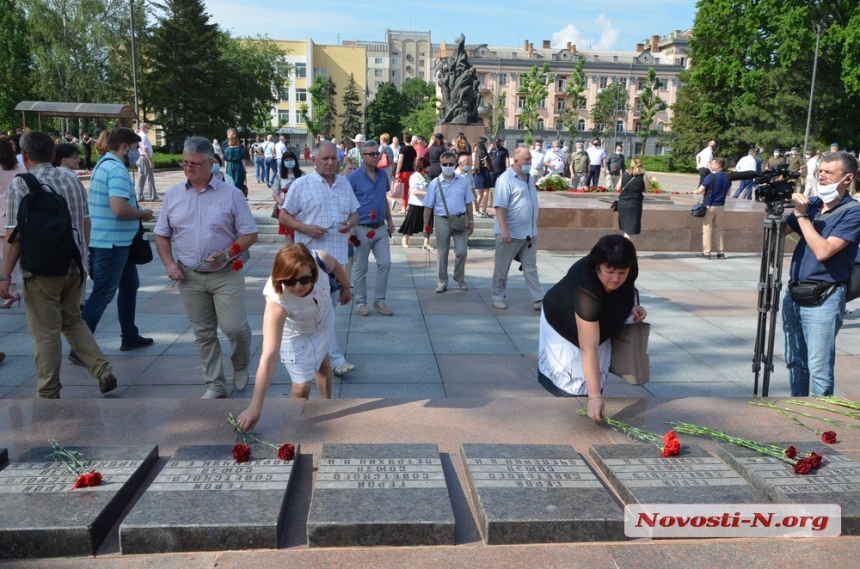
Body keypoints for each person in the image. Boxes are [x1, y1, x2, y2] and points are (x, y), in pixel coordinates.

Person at [0, 130, 119, 398]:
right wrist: (83, 257)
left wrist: (5, 276)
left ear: (25, 155)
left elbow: (14, 236)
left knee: (46, 332)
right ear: (54, 155)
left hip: (41, 270)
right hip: (74, 265)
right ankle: (103, 371)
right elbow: (86, 222)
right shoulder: (72, 180)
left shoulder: (22, 184)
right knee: (73, 320)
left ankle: (48, 391)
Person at [154, 137, 258, 399]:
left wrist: (226, 253)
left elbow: (249, 234)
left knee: (234, 327)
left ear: (211, 163)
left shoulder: (231, 194)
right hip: (190, 276)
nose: (189, 168)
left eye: (195, 164)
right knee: (203, 333)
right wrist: (168, 263)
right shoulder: (174, 195)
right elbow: (162, 233)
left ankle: (241, 364)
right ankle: (215, 384)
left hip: (225, 274)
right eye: (185, 163)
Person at [235, 244, 351, 431]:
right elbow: (269, 357)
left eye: (305, 279)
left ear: (313, 272)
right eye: (289, 281)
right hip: (295, 333)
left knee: (323, 363)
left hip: (322, 320)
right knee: (301, 386)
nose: (298, 287)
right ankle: (294, 424)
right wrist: (255, 408)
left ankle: (326, 404)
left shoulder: (320, 259)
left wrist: (346, 287)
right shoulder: (277, 301)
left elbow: (336, 265)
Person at [539, 234, 647, 420]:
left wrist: (632, 307)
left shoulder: (627, 263)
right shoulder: (585, 289)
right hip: (564, 324)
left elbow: (627, 287)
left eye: (622, 273)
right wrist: (595, 396)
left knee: (594, 376)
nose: (616, 278)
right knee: (574, 385)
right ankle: (570, 419)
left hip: (599, 320)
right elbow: (588, 347)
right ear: (598, 266)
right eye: (609, 272)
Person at [71, 127, 154, 367]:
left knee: (129, 287)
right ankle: (80, 349)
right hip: (111, 243)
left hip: (118, 241)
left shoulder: (103, 164)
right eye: (136, 148)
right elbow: (119, 209)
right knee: (102, 294)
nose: (138, 153)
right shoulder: (116, 169)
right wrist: (144, 214)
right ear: (125, 147)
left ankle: (129, 336)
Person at [782, 151, 860, 397]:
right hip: (794, 291)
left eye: (829, 173)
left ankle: (819, 416)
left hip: (824, 296)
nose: (822, 177)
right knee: (795, 361)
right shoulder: (813, 203)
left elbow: (824, 251)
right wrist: (775, 209)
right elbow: (776, 233)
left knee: (818, 366)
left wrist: (802, 216)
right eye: (820, 172)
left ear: (847, 178)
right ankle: (797, 408)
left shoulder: (853, 212)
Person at [280, 141, 359, 378]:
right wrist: (305, 227)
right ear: (313, 160)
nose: (331, 163)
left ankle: (319, 353)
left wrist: (350, 223)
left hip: (338, 259)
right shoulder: (301, 185)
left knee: (327, 310)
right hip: (310, 261)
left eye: (334, 158)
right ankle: (335, 359)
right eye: (325, 158)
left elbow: (355, 213)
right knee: (323, 310)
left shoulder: (344, 184)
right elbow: (283, 216)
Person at [347, 140, 394, 317]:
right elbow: (346, 204)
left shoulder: (383, 175)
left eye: (377, 153)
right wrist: (348, 227)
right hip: (360, 227)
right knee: (361, 267)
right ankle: (360, 302)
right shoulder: (353, 178)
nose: (376, 156)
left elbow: (383, 198)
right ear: (362, 156)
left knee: (385, 263)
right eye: (371, 154)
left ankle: (380, 301)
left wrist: (390, 220)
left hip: (380, 227)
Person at [491, 147, 543, 310]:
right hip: (510, 233)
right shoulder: (505, 179)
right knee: (502, 267)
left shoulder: (529, 178)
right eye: (526, 160)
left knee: (530, 266)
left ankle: (538, 298)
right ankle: (497, 296)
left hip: (529, 233)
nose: (529, 163)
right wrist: (504, 229)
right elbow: (500, 206)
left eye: (530, 160)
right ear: (516, 161)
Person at [423, 150, 474, 293]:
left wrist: (471, 221)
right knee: (442, 252)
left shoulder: (463, 181)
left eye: (451, 164)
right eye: (445, 164)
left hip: (460, 219)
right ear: (440, 165)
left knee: (462, 251)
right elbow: (428, 206)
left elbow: (469, 202)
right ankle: (442, 281)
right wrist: (425, 225)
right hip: (442, 220)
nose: (448, 166)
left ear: (455, 164)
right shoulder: (435, 183)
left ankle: (459, 277)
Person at [0, 138, 26, 309]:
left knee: (6, 256)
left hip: (2, 217)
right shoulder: (20, 167)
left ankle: (12, 291)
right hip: (20, 215)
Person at [694, 157, 731, 259]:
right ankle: (720, 252)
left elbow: (700, 190)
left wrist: (697, 191)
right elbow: (728, 193)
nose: (711, 165)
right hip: (721, 206)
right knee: (718, 229)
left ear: (718, 165)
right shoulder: (728, 177)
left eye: (713, 163)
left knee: (707, 230)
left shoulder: (711, 177)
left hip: (709, 206)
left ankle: (707, 253)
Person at [399, 156, 432, 249]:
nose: (429, 169)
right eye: (427, 167)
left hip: (426, 204)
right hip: (416, 203)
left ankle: (426, 242)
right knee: (411, 222)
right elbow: (414, 191)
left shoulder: (426, 176)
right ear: (423, 167)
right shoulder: (414, 177)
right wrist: (427, 193)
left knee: (427, 223)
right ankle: (405, 239)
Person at [615, 157, 650, 239]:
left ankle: (625, 249)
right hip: (634, 204)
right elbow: (647, 190)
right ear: (641, 164)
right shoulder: (643, 176)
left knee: (627, 229)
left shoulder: (624, 174)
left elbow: (617, 188)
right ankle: (625, 250)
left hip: (622, 204)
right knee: (629, 231)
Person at [273, 150, 302, 245]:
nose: (289, 161)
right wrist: (279, 200)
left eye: (291, 159)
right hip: (284, 209)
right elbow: (275, 192)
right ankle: (291, 254)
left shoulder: (302, 175)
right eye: (287, 160)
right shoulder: (280, 175)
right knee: (289, 234)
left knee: (297, 233)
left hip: (298, 209)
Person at [393, 133, 418, 212]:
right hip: (411, 172)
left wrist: (397, 171)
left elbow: (400, 161)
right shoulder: (413, 150)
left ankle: (403, 207)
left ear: (404, 140)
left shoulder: (402, 149)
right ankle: (406, 206)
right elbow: (414, 163)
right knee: (408, 190)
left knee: (403, 190)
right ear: (411, 139)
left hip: (403, 172)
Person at [135, 122, 157, 202]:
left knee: (141, 178)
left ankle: (139, 195)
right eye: (147, 127)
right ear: (143, 128)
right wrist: (150, 161)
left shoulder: (138, 136)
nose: (148, 129)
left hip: (139, 158)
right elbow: (145, 150)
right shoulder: (144, 136)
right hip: (144, 158)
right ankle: (153, 196)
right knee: (149, 177)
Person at [472, 137, 493, 218]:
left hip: (478, 172)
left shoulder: (477, 151)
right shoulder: (483, 150)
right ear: (484, 143)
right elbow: (485, 162)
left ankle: (475, 209)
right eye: (486, 143)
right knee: (486, 192)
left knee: (480, 193)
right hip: (484, 171)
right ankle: (484, 211)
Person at [224, 128, 247, 197]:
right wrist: (245, 169)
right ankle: (238, 194)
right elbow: (243, 160)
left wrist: (225, 169)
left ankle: (231, 194)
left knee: (230, 180)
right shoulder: (240, 149)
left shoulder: (227, 150)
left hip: (230, 166)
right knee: (239, 180)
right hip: (238, 166)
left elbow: (226, 160)